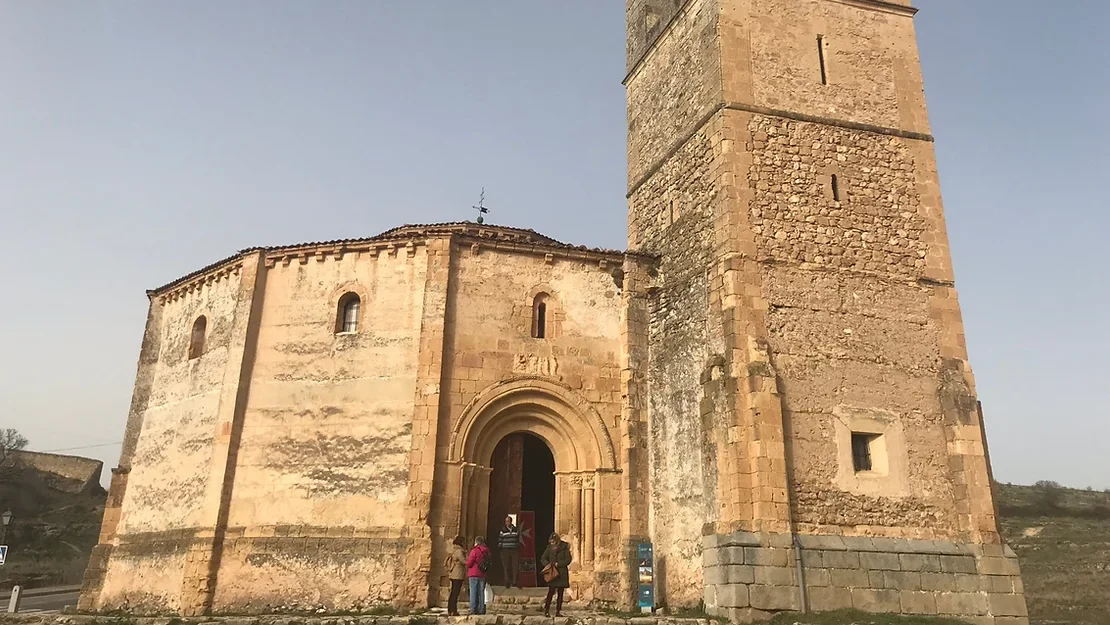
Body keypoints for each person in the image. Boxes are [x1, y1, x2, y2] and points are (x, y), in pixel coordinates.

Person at [540, 532, 572, 617]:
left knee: (560, 593)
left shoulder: (564, 548)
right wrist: (548, 564)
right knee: (551, 592)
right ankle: (547, 609)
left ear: (557, 541)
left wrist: (559, 564)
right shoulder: (549, 548)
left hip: (561, 573)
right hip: (553, 573)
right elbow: (543, 558)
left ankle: (558, 611)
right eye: (551, 542)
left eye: (553, 542)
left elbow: (568, 559)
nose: (552, 544)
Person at [466, 535, 491, 615]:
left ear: (476, 542)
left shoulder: (475, 551)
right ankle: (482, 608)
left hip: (474, 573)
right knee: (481, 591)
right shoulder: (487, 550)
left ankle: (473, 608)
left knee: (473, 591)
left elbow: (469, 563)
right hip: (483, 573)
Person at [497, 514, 521, 588]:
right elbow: (500, 540)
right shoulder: (503, 530)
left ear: (511, 522)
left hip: (514, 550)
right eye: (506, 521)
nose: (507, 523)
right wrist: (501, 546)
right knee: (506, 567)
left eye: (508, 521)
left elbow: (518, 539)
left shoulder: (516, 529)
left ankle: (514, 582)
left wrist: (517, 546)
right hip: (505, 550)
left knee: (515, 566)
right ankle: (507, 582)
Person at [446, 535, 467, 616]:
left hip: (454, 573)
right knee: (455, 592)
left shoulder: (454, 550)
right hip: (457, 574)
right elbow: (464, 561)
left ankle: (450, 609)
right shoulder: (459, 551)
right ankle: (453, 610)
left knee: (453, 592)